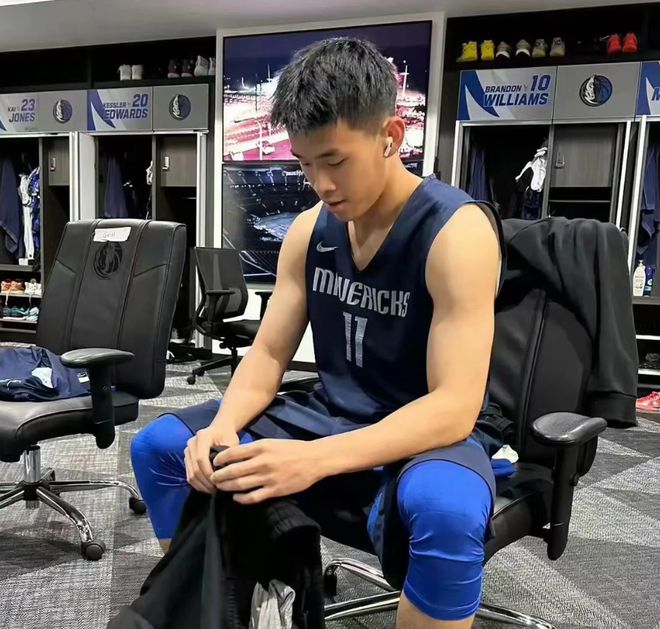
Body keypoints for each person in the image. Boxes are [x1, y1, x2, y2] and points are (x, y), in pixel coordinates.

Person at [131, 37, 502, 629]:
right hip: (330, 412)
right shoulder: (309, 231)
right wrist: (223, 428)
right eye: (305, 164)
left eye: (335, 161)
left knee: (446, 511)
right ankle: (209, 608)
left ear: (391, 136)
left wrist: (314, 460)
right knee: (162, 446)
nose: (321, 184)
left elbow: (455, 406)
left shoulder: (456, 233)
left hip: (425, 430)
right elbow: (268, 353)